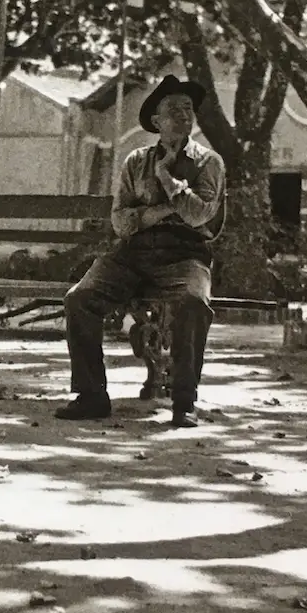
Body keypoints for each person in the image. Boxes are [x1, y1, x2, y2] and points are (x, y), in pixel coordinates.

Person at [57, 74, 225, 429]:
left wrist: (166, 180)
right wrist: (166, 209)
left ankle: (183, 402)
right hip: (131, 254)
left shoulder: (209, 163)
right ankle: (91, 396)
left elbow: (199, 217)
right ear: (156, 122)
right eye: (173, 110)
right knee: (79, 298)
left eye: (188, 109)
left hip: (184, 256)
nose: (183, 116)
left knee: (194, 304)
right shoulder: (135, 161)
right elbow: (121, 222)